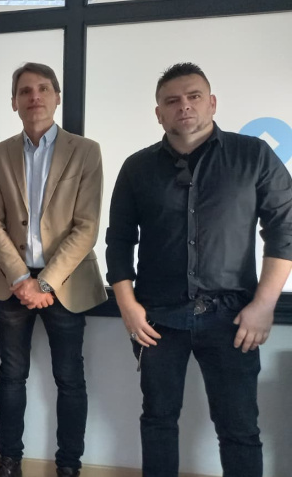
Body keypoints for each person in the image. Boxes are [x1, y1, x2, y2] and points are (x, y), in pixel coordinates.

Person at [105, 62, 292, 477]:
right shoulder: (137, 168)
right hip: (157, 319)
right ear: (158, 113)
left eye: (193, 97)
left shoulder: (252, 155)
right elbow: (118, 241)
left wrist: (265, 305)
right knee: (157, 421)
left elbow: (285, 228)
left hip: (233, 318)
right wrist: (128, 306)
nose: (183, 106)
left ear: (212, 103)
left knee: (239, 429)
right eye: (172, 101)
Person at [0, 63, 106, 477]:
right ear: (14, 101)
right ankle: (9, 461)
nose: (34, 97)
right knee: (10, 376)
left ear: (56, 97)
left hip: (65, 284)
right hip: (11, 283)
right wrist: (22, 279)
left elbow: (87, 226)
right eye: (25, 91)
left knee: (70, 379)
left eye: (42, 89)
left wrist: (46, 282)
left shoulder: (85, 151)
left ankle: (69, 466)